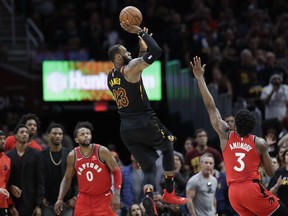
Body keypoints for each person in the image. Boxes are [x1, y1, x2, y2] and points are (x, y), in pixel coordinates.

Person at [190, 56, 288, 215]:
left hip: (233, 194)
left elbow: (210, 106)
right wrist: (261, 157)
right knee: (282, 212)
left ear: (235, 124)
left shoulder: (225, 135)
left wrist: (200, 77)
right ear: (252, 128)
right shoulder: (259, 142)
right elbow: (270, 173)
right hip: (251, 189)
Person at [107, 21, 186, 215]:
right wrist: (141, 32)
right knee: (168, 147)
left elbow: (138, 67)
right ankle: (168, 192)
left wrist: (142, 47)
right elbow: (156, 51)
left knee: (149, 166)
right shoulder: (130, 68)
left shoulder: (110, 76)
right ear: (118, 56)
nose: (129, 53)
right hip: (144, 120)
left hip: (126, 129)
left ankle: (149, 197)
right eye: (126, 52)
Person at [54, 121, 122, 216]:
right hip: (83, 199)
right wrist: (60, 198)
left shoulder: (102, 151)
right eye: (82, 134)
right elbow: (67, 178)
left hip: (103, 198)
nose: (86, 136)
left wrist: (117, 195)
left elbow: (117, 171)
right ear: (76, 140)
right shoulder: (72, 155)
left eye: (88, 133)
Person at [6, 125, 44, 216]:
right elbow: (5, 180)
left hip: (31, 202)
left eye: (26, 133)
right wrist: (10, 186)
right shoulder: (8, 155)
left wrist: (38, 205)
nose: (25, 134)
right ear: (15, 136)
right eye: (22, 132)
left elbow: (40, 181)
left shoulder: (37, 155)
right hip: (13, 202)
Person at [41, 123, 78, 215]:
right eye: (54, 133)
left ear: (63, 136)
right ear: (48, 135)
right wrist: (40, 197)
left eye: (60, 134)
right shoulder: (41, 155)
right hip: (48, 203)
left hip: (66, 203)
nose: (57, 136)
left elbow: (76, 179)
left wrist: (74, 197)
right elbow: (38, 179)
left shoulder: (71, 154)